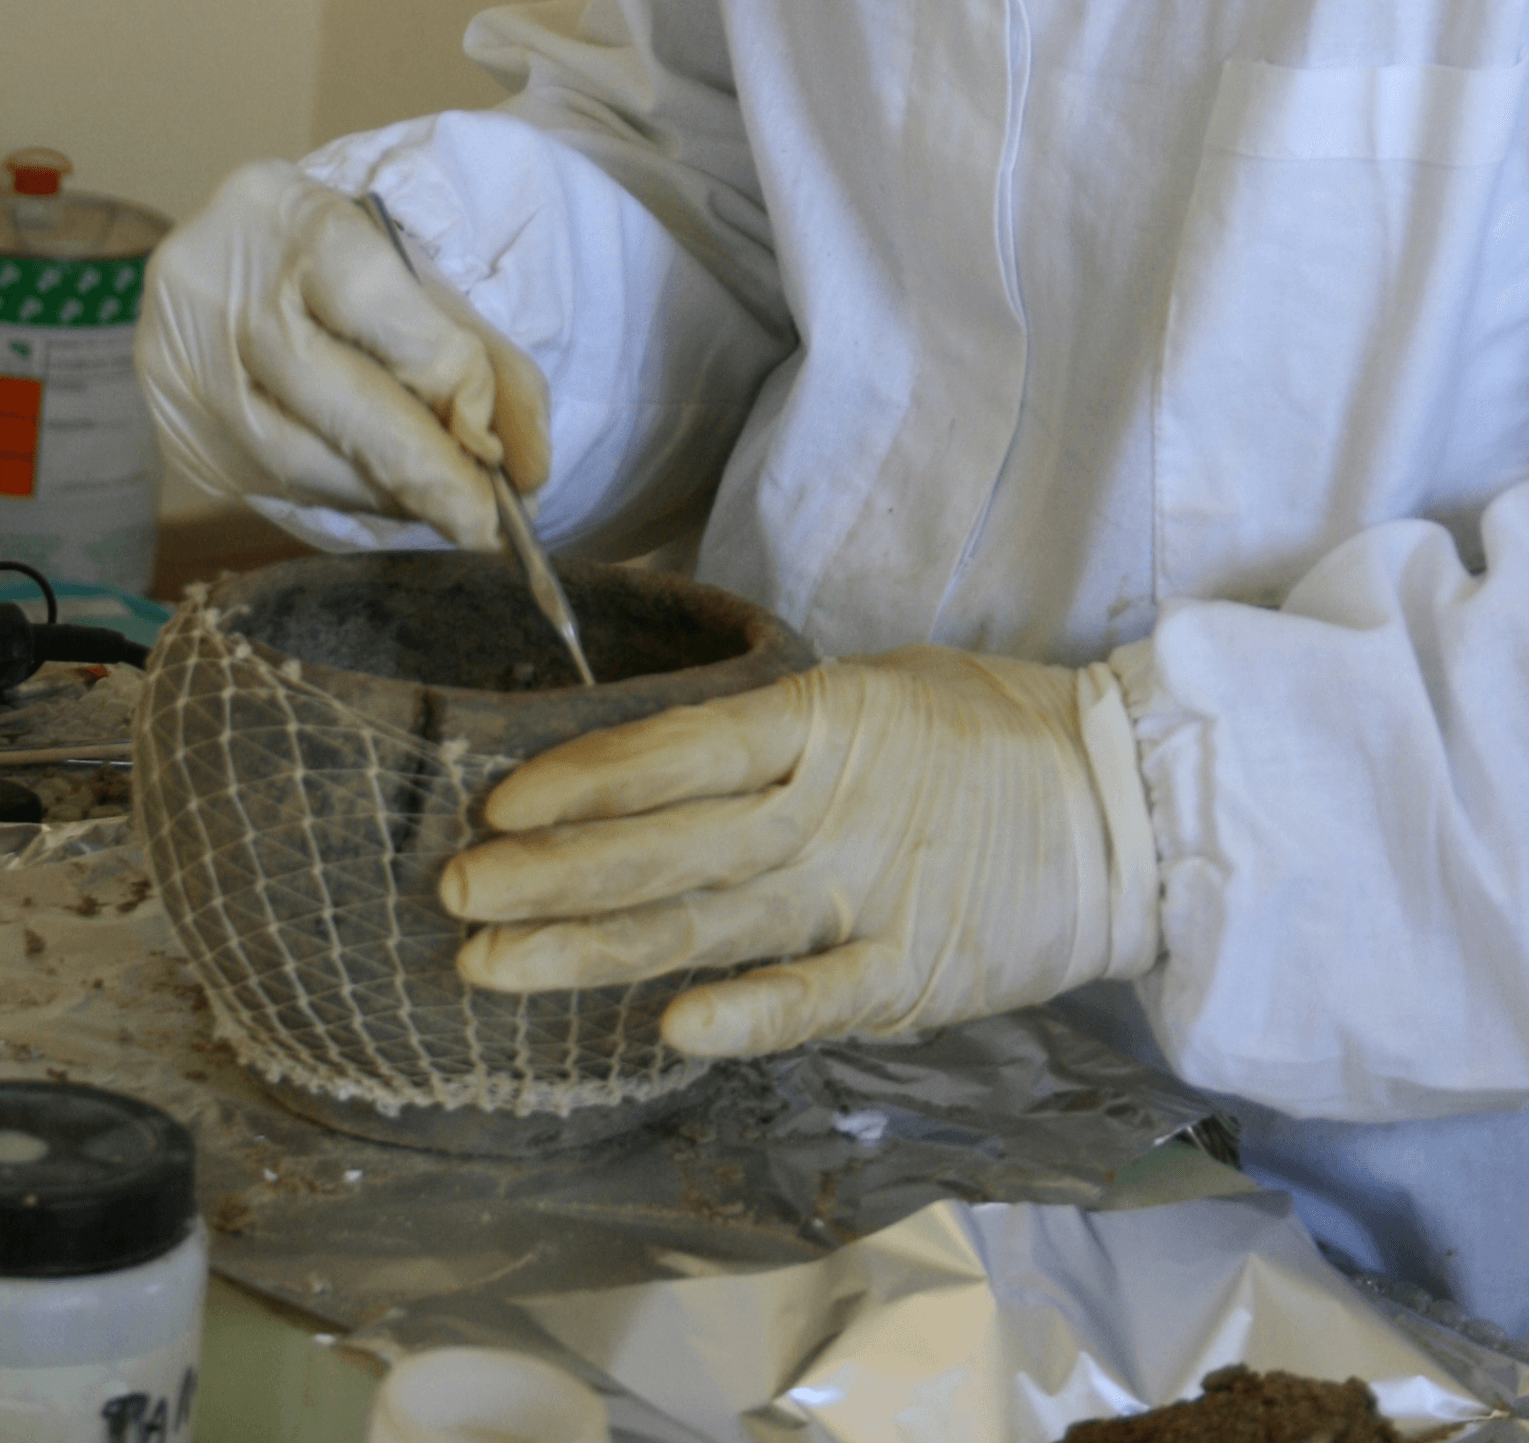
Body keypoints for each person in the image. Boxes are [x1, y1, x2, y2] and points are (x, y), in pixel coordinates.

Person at [137, 1, 1529, 1337]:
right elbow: (738, 177)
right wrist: (435, 300)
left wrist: (1132, 814)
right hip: (773, 1060)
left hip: (1377, 1212)